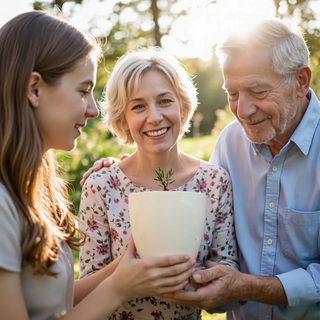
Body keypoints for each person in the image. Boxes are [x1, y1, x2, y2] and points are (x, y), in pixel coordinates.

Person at [82, 18, 320, 319]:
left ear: (301, 80)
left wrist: (243, 287)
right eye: (232, 93)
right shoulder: (232, 143)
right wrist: (115, 173)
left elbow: (224, 262)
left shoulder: (213, 178)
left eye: (257, 91)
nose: (242, 111)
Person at [0, 11, 197, 320]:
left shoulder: (29, 191)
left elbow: (57, 301)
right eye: (83, 91)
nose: (93, 110)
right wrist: (118, 288)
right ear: (34, 89)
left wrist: (126, 266)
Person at [78, 47, 239, 320]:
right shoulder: (101, 186)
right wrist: (127, 269)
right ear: (123, 119)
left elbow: (226, 273)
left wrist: (203, 284)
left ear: (183, 107)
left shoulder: (215, 182)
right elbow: (84, 291)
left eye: (165, 101)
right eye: (138, 106)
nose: (154, 117)